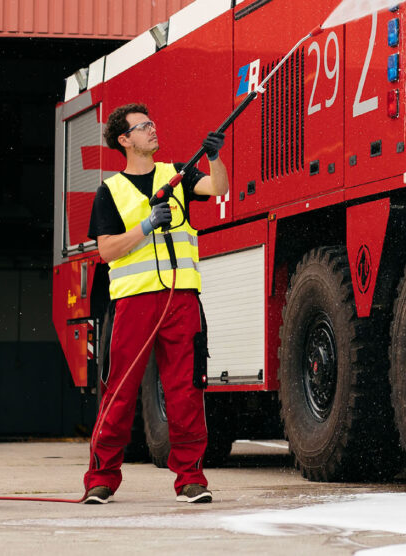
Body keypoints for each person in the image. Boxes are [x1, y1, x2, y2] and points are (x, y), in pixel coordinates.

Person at [83, 103, 229, 504]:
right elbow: (108, 251)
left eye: (152, 122)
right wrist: (146, 225)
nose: (152, 129)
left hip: (181, 299)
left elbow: (219, 189)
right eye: (143, 126)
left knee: (185, 391)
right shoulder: (109, 192)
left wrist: (215, 157)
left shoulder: (177, 175)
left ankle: (191, 480)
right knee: (120, 391)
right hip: (134, 303)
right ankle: (101, 478)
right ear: (124, 140)